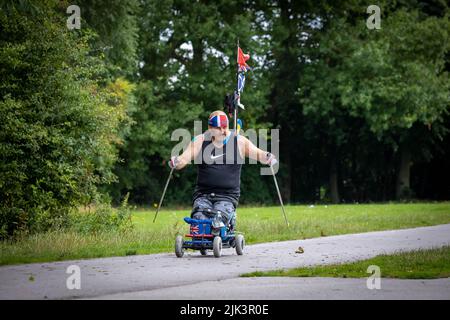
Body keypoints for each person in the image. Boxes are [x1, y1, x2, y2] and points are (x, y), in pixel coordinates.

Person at [168, 110, 277, 232]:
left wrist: (267, 156)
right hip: (203, 194)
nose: (223, 131)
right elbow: (184, 158)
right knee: (198, 221)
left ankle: (227, 224)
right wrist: (176, 161)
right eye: (219, 128)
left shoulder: (239, 141)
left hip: (227, 196)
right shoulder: (200, 141)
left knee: (218, 221)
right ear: (210, 128)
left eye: (225, 127)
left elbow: (258, 153)